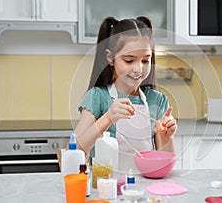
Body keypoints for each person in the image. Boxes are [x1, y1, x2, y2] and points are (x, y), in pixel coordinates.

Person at [74, 16, 177, 172]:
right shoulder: (98, 96)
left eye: (145, 60)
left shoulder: (157, 99)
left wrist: (168, 138)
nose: (138, 69)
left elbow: (164, 166)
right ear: (110, 58)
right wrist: (108, 118)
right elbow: (76, 151)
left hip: (145, 190)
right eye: (129, 60)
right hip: (107, 189)